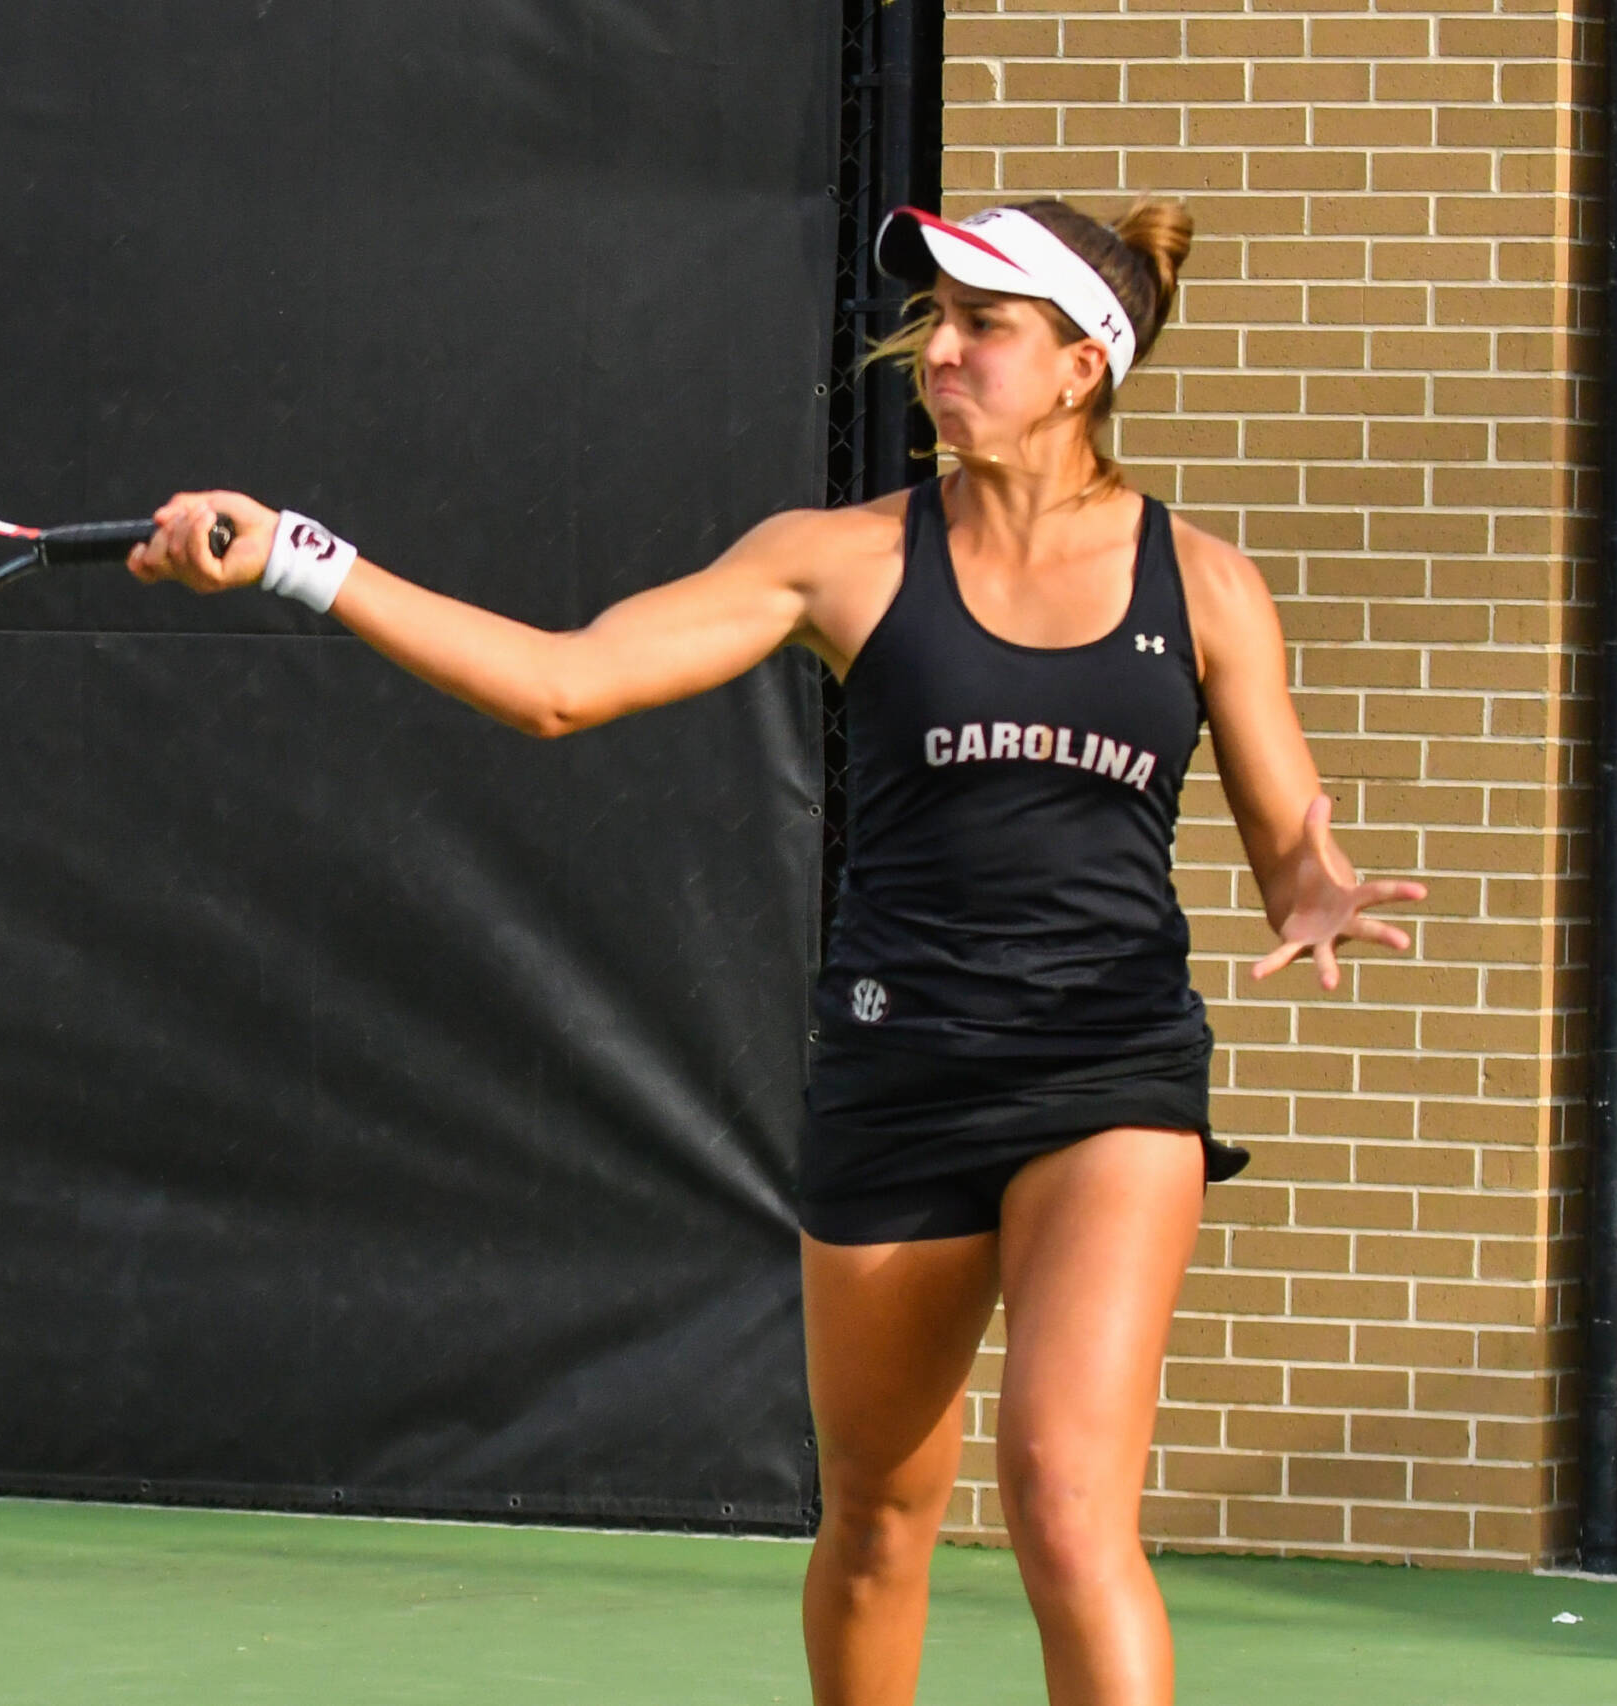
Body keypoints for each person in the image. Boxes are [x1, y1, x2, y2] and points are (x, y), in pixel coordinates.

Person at [125, 196, 1424, 1706]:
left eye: (983, 326)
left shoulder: (1203, 586)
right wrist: (297, 556)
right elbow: (563, 684)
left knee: (1068, 1507)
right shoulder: (839, 560)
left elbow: (1288, 848)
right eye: (933, 319)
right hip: (898, 1078)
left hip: (1109, 1073)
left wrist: (1317, 887)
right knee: (878, 1518)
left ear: (1082, 367)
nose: (939, 352)